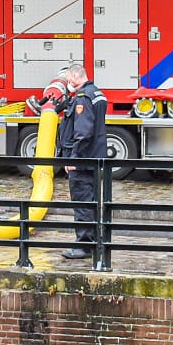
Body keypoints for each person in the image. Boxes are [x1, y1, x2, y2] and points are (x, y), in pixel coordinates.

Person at [58, 63, 107, 259]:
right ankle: (95, 241)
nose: (67, 83)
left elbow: (83, 133)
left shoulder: (83, 98)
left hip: (83, 161)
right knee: (91, 201)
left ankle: (84, 245)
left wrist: (74, 158)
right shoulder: (97, 93)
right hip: (93, 158)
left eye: (68, 80)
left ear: (74, 77)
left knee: (83, 202)